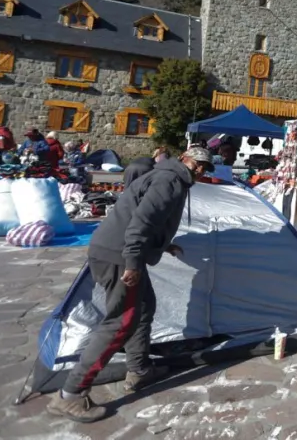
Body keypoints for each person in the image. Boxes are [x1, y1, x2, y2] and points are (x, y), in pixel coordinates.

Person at [46, 146, 212, 423]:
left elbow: (145, 216)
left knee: (145, 305)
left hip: (114, 249)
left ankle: (140, 369)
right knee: (120, 322)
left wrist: (162, 245)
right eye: (198, 164)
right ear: (185, 159)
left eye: (206, 167)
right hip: (120, 254)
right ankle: (70, 394)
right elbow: (142, 221)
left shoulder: (167, 176)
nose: (201, 170)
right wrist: (133, 261)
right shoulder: (170, 180)